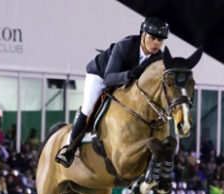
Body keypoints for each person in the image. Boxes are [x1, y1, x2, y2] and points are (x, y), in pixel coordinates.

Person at [55, 16, 169, 167]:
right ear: (143, 35)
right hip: (100, 75)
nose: (156, 43)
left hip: (126, 82)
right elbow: (109, 79)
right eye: (152, 38)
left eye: (160, 40)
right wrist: (130, 74)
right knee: (89, 108)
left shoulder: (158, 58)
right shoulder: (125, 46)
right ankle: (70, 148)